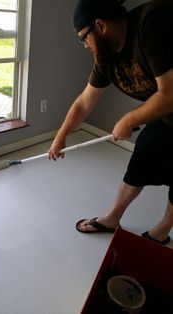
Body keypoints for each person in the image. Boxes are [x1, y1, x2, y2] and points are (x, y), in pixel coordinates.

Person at [48, 0, 173, 245]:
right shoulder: (106, 57)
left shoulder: (151, 23)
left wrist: (128, 118)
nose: (84, 45)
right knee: (143, 156)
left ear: (100, 26)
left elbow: (169, 94)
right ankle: (112, 218)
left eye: (84, 38)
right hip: (167, 113)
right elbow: (85, 101)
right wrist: (61, 135)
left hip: (170, 101)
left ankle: (162, 229)